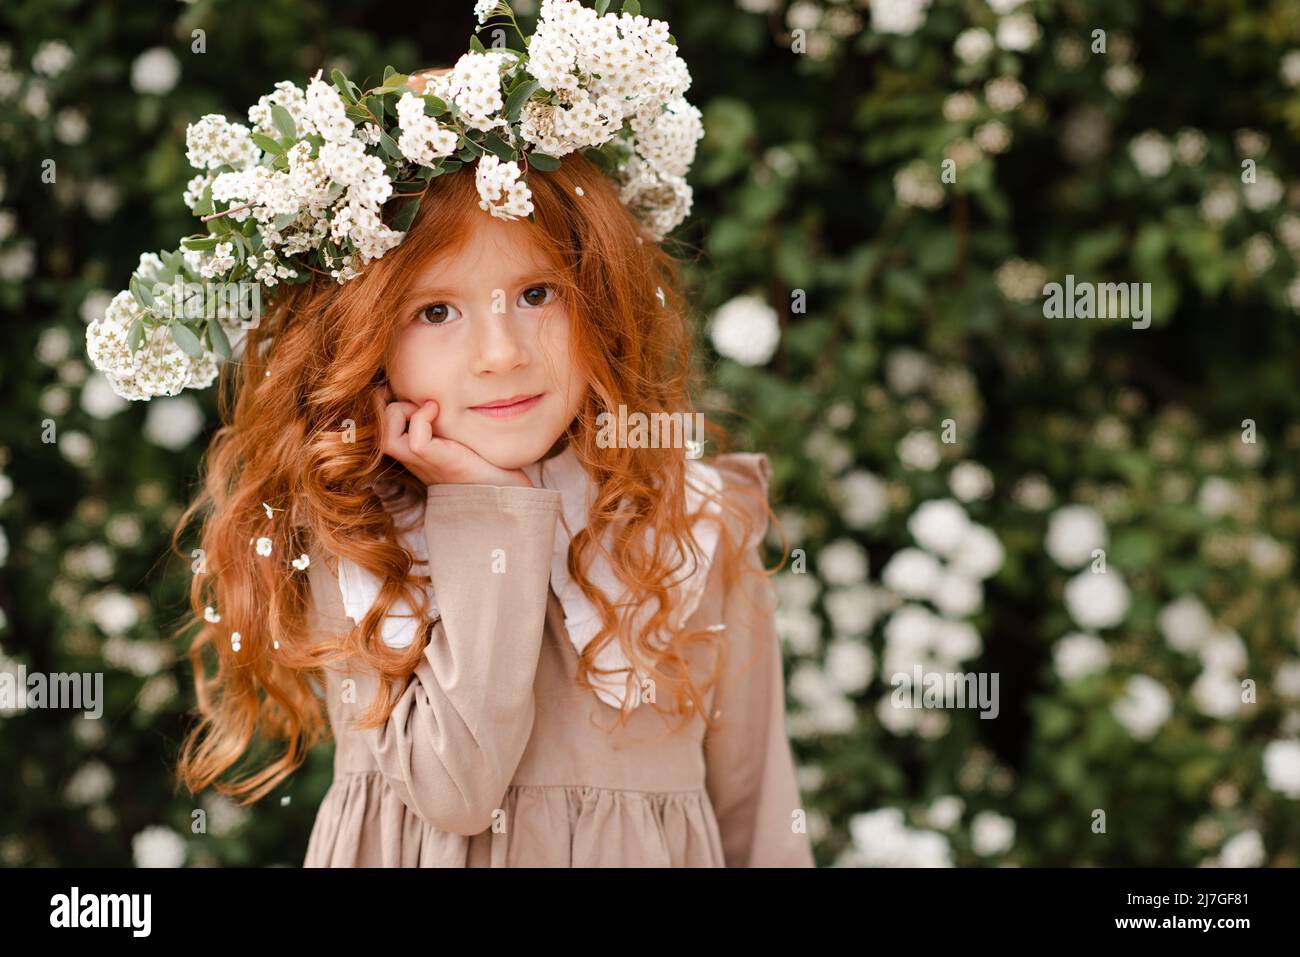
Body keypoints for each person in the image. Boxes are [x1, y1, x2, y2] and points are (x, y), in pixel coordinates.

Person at [89, 2, 815, 867]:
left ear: (599, 299)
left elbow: (760, 819)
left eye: (539, 294)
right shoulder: (359, 529)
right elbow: (457, 785)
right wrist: (490, 511)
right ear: (364, 345)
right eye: (437, 311)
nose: (501, 354)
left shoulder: (697, 523)